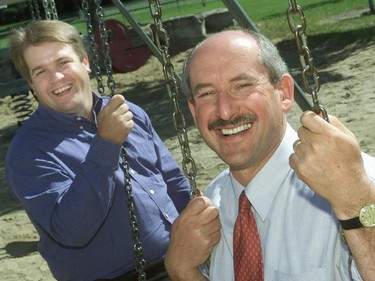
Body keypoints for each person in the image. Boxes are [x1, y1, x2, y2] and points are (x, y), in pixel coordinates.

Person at [164, 29, 375, 281]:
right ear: (193, 110)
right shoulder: (211, 205)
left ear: (284, 92)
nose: (225, 111)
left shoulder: (355, 187)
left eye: (241, 85)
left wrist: (355, 203)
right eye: (207, 93)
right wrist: (183, 272)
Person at [5, 20, 191, 281]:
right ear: (31, 85)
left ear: (84, 62)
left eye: (62, 63)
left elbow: (173, 183)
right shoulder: (29, 152)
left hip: (181, 260)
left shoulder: (130, 113)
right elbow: (72, 230)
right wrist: (106, 144)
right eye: (40, 72)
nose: (56, 77)